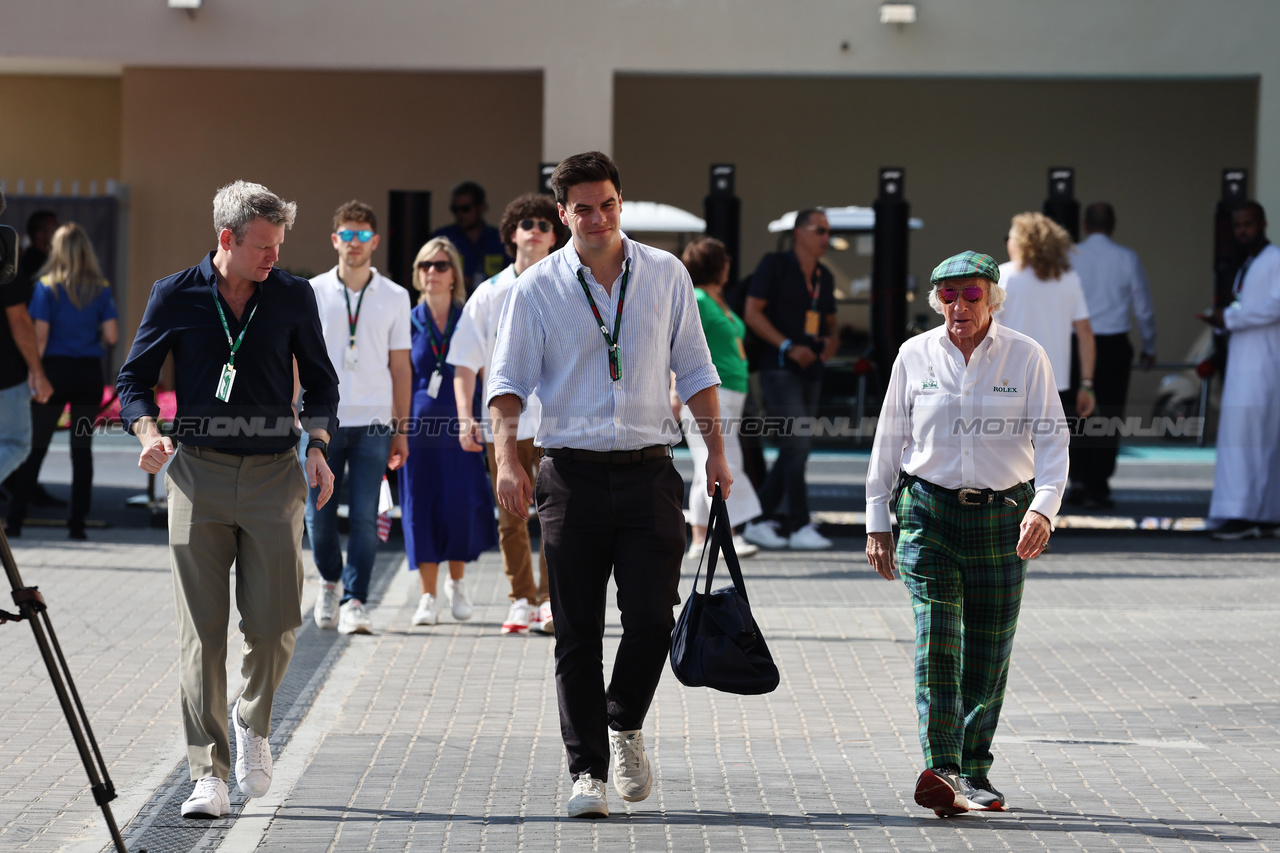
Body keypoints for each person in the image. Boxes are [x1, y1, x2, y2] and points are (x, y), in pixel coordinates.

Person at [487, 151, 730, 820]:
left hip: (652, 470)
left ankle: (624, 723)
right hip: (569, 475)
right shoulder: (536, 289)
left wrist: (716, 451)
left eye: (608, 205)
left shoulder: (665, 274)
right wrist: (509, 461)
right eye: (584, 208)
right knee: (576, 632)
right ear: (563, 213)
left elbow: (697, 364)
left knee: (653, 617)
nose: (597, 218)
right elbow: (506, 384)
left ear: (621, 203)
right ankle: (587, 768)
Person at [116, 181, 339, 820]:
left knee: (274, 628)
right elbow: (133, 379)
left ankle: (251, 719)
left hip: (275, 476)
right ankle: (208, 774)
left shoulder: (293, 296)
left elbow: (321, 383)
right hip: (197, 477)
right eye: (263, 247)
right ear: (227, 239)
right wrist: (148, 430)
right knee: (202, 635)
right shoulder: (175, 294)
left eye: (278, 246)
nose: (274, 258)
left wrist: (317, 445)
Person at [865, 251, 1069, 817]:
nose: (959, 306)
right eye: (948, 296)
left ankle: (975, 771)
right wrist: (876, 520)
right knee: (938, 639)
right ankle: (943, 766)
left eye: (971, 294)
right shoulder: (914, 354)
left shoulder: (1026, 357)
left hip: (1005, 516)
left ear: (993, 298)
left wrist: (1044, 509)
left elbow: (1053, 441)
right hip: (928, 514)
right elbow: (888, 440)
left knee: (987, 649)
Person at [448, 193, 562, 635]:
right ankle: (521, 600)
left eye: (543, 223)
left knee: (558, 516)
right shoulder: (489, 293)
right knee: (511, 515)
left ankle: (552, 601)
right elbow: (463, 363)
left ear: (554, 235)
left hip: (559, 422)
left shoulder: (570, 285)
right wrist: (464, 418)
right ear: (512, 233)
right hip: (505, 425)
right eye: (526, 223)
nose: (535, 229)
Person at [304, 200, 411, 635]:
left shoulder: (396, 296)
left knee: (366, 515)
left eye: (362, 236)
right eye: (346, 235)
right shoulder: (311, 291)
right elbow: (297, 359)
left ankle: (355, 600)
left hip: (373, 423)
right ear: (335, 240)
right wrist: (294, 413)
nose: (354, 243)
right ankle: (330, 582)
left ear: (375, 241)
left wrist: (401, 430)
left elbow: (401, 367)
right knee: (318, 515)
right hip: (320, 422)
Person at [399, 236, 498, 627]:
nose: (432, 273)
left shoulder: (470, 319)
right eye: (425, 266)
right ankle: (427, 596)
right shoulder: (406, 320)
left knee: (458, 504)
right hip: (418, 427)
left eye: (441, 266)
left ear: (454, 275)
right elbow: (398, 377)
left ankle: (457, 584)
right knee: (418, 505)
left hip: (462, 425)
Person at [5, 224, 118, 540]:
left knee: (35, 448)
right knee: (82, 450)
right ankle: (77, 525)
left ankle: (15, 520)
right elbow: (112, 335)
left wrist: (34, 374)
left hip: (54, 372)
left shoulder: (46, 287)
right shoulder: (101, 287)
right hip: (88, 375)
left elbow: (39, 337)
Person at [741, 209, 838, 551]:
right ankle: (797, 524)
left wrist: (829, 345)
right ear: (799, 233)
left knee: (795, 449)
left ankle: (758, 518)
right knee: (797, 444)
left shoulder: (824, 276)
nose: (826, 238)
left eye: (828, 232)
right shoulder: (775, 265)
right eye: (819, 230)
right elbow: (752, 313)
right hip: (779, 368)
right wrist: (787, 345)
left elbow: (830, 324)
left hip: (811, 369)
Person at [676, 236, 762, 558]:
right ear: (716, 265)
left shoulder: (718, 299)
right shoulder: (697, 298)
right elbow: (678, 344)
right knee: (722, 462)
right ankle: (723, 535)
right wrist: (674, 389)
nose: (729, 268)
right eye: (724, 262)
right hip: (708, 393)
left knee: (710, 464)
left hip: (731, 393)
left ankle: (703, 539)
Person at [1200, 201, 1280, 540]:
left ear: (1262, 223)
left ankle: (1244, 514)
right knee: (1243, 438)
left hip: (1263, 363)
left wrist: (1228, 318)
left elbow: (1276, 306)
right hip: (1243, 362)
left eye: (1248, 224)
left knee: (1251, 439)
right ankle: (1258, 514)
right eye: (1237, 226)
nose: (1242, 231)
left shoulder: (1274, 258)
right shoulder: (1248, 262)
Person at [1070, 203, 1157, 508]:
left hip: (1076, 343)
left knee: (1075, 412)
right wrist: (1149, 345)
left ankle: (1077, 478)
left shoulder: (1069, 257)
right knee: (1109, 413)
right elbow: (1143, 306)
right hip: (1113, 345)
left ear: (1084, 225)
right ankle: (1098, 484)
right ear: (1113, 224)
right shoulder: (1126, 258)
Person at [998, 212, 1097, 454]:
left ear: (1021, 242)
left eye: (1009, 238)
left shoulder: (1004, 276)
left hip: (1008, 384)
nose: (1007, 243)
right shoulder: (1068, 278)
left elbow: (986, 333)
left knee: (1010, 463)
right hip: (1055, 385)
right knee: (1050, 459)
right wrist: (1086, 383)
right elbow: (1085, 333)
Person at [3, 209, 62, 508]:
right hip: (10, 368)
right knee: (17, 443)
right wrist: (36, 370)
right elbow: (19, 318)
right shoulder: (11, 256)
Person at [431, 181, 510, 294]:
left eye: (465, 208)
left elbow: (512, 278)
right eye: (455, 209)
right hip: (454, 307)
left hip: (492, 305)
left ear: (481, 207)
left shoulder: (500, 238)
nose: (460, 214)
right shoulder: (443, 238)